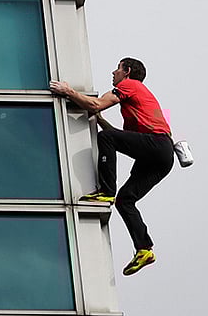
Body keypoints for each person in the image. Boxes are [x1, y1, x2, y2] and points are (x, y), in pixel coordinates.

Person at [50, 57, 174, 276]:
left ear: (126, 71)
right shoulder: (142, 97)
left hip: (157, 146)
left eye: (117, 69)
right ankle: (144, 249)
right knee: (126, 200)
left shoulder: (129, 85)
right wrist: (97, 118)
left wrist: (68, 91)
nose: (113, 72)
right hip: (162, 155)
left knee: (106, 138)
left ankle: (106, 191)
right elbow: (117, 133)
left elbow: (97, 106)